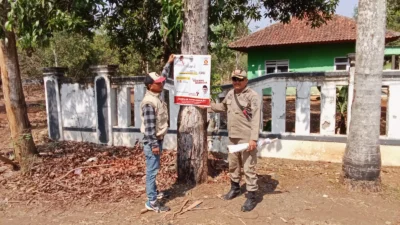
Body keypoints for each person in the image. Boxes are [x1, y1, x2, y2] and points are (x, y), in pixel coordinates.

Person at [208, 69, 261, 212]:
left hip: (246, 137)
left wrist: (253, 139)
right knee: (233, 164)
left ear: (246, 80)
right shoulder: (230, 94)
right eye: (234, 79)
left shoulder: (252, 96)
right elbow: (222, 107)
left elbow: (256, 118)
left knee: (249, 167)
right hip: (233, 137)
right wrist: (207, 105)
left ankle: (251, 196)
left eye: (240, 79)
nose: (236, 82)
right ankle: (235, 188)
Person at [140, 54, 174, 213]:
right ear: (149, 86)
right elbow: (149, 128)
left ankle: (153, 193)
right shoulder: (149, 102)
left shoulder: (156, 94)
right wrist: (154, 144)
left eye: (160, 83)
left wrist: (168, 63)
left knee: (154, 169)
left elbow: (164, 78)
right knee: (152, 172)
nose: (161, 84)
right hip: (152, 141)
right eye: (157, 83)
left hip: (157, 140)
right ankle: (151, 201)